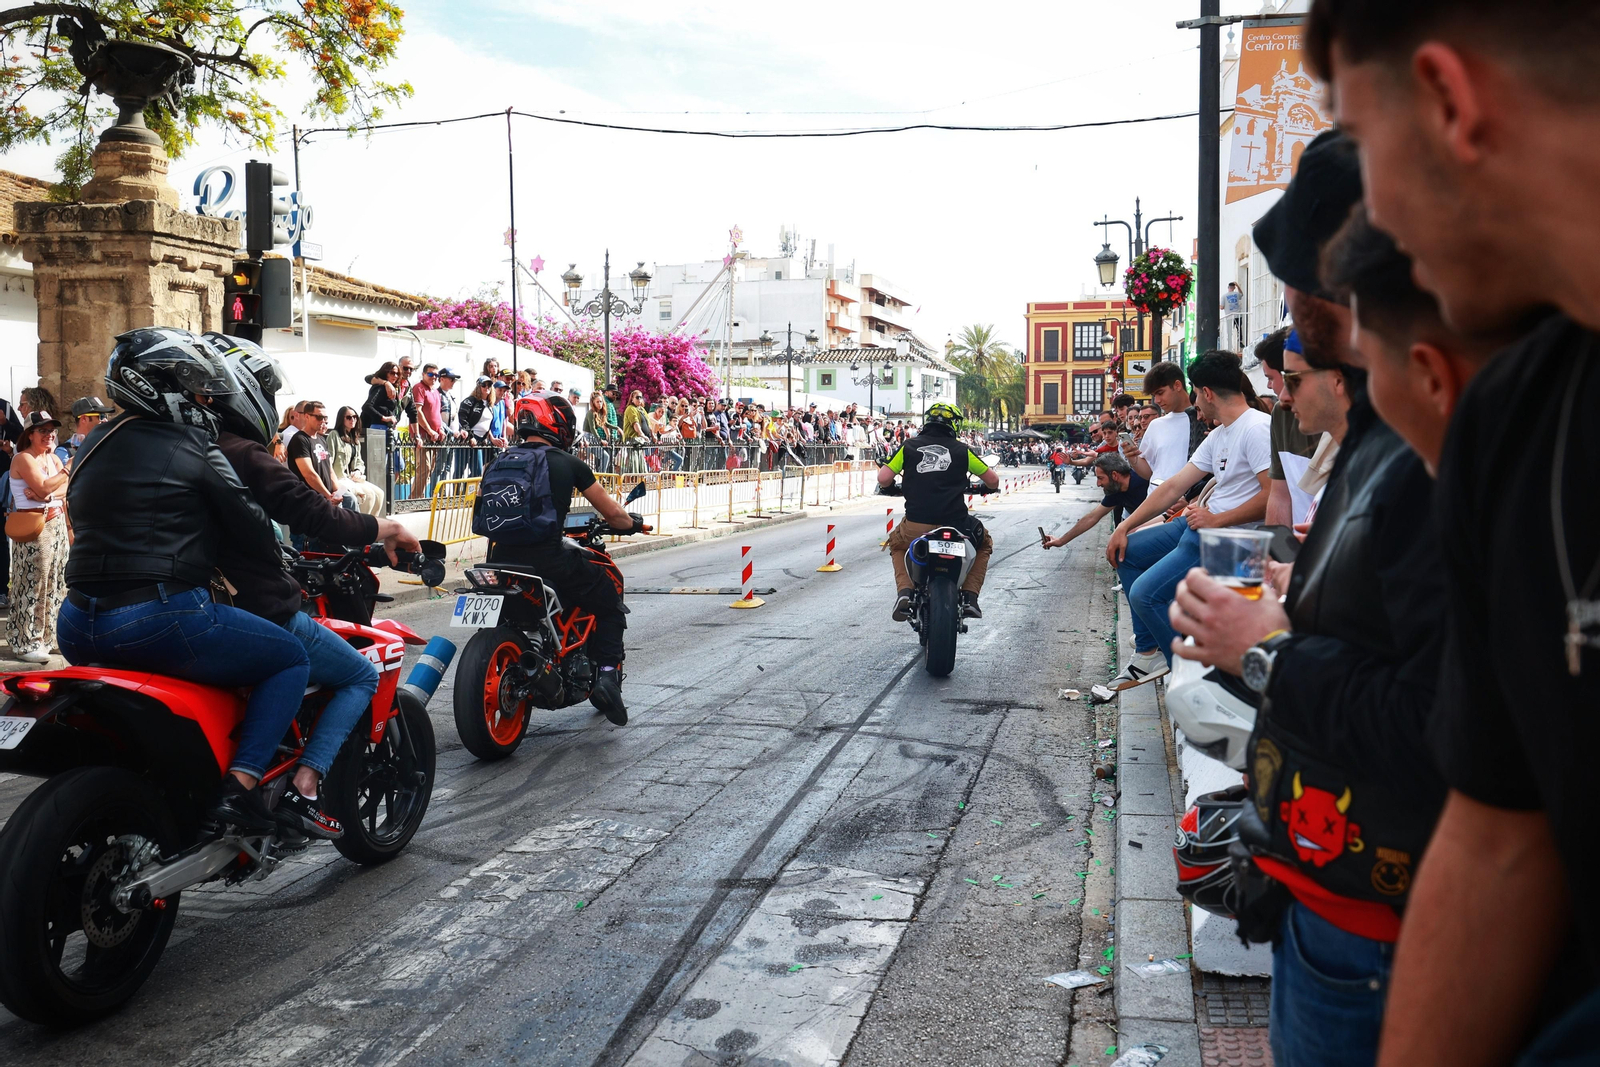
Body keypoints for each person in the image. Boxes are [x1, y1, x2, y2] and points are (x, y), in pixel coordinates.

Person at [1307, 6, 1600, 1063]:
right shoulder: (1520, 420)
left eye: (1357, 143)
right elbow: (1495, 833)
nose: (1370, 206)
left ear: (1445, 101)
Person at [57, 328, 310, 832]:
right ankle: (241, 790)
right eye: (195, 390)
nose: (204, 402)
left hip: (76, 621)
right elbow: (253, 524)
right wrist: (278, 557)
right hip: (159, 616)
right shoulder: (192, 444)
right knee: (290, 658)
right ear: (157, 386)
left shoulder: (90, 444)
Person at [203, 336, 420, 840]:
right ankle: (306, 783)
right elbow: (310, 511)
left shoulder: (182, 450)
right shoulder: (242, 453)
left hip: (165, 605)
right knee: (359, 675)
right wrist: (385, 528)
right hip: (251, 605)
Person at [1104, 350, 1272, 688]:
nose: (1196, 402)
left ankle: (1188, 674)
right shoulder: (1222, 432)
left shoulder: (1256, 428)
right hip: (1197, 526)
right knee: (1126, 551)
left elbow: (1272, 496)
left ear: (1206, 392)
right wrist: (1123, 526)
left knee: (1144, 594)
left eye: (1196, 394)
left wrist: (1217, 519)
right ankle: (1149, 651)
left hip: (1227, 540)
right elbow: (1174, 486)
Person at [481, 394, 642, 725]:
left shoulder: (496, 461)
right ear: (557, 425)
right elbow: (613, 513)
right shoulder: (567, 463)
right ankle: (608, 677)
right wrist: (633, 523)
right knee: (609, 602)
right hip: (548, 561)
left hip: (497, 561)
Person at [878, 402, 1000, 621]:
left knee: (896, 545)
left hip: (916, 525)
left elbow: (883, 478)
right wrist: (985, 488)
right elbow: (993, 481)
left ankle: (905, 591)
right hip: (956, 524)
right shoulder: (963, 450)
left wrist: (890, 487)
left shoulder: (909, 447)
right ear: (954, 424)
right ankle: (970, 597)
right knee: (985, 543)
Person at [6, 411, 68, 663]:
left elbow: (64, 489)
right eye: (42, 430)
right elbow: (46, 486)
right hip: (34, 526)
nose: (49, 434)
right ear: (29, 434)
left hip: (56, 522)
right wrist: (66, 471)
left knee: (56, 582)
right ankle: (25, 641)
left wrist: (51, 492)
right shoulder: (23, 458)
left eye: (51, 430)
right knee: (31, 584)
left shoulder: (52, 459)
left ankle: (48, 637)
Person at [1254, 328, 1322, 526]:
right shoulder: (1281, 415)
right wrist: (1277, 551)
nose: (1283, 395)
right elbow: (1280, 494)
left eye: (1294, 378)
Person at [1041, 453, 1147, 552]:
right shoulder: (1116, 490)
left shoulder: (1144, 483)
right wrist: (1060, 541)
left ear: (1114, 475)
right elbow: (1092, 517)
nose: (1098, 484)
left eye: (1100, 478)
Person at [1125, 362, 1198, 488]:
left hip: (1189, 502)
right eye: (1154, 396)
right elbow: (1151, 473)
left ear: (1177, 385)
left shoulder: (1202, 420)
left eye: (1160, 393)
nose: (1157, 401)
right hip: (1157, 501)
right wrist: (1133, 458)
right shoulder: (1156, 425)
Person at [329, 405, 384, 515]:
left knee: (379, 494)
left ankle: (372, 526)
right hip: (340, 479)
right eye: (349, 417)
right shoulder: (334, 435)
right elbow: (329, 460)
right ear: (341, 419)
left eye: (355, 417)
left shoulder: (354, 439)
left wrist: (358, 471)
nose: (353, 420)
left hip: (353, 479)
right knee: (369, 495)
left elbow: (359, 461)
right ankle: (361, 526)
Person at [409, 363, 442, 500]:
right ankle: (414, 499)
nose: (433, 377)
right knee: (424, 467)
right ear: (423, 374)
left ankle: (419, 496)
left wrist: (439, 430)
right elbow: (417, 411)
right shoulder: (419, 388)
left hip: (434, 436)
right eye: (430, 374)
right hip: (423, 435)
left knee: (430, 469)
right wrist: (429, 430)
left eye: (436, 375)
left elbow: (436, 414)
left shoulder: (435, 391)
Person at [361, 361, 400, 431]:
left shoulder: (393, 388)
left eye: (397, 374)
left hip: (388, 428)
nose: (395, 376)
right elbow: (366, 406)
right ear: (385, 373)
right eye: (392, 373)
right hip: (377, 427)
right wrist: (384, 418)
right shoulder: (380, 388)